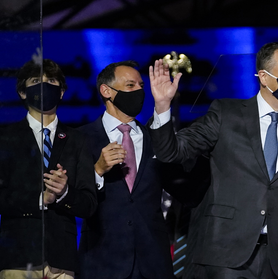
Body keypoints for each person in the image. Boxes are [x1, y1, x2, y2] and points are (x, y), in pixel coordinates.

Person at [147, 42, 278, 279]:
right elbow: (172, 152)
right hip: (226, 254)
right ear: (264, 77)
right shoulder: (226, 113)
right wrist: (162, 106)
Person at [78, 60, 199, 279]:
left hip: (153, 263)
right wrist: (98, 170)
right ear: (106, 91)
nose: (139, 92)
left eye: (142, 86)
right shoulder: (80, 139)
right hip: (102, 262)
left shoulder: (156, 138)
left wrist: (162, 106)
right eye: (130, 86)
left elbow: (182, 183)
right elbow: (73, 199)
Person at [0, 59, 97, 279]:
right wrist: (39, 199)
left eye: (51, 81)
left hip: (62, 259)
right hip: (18, 257)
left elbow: (89, 204)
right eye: (36, 81)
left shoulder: (78, 140)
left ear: (62, 92)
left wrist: (64, 194)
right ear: (23, 92)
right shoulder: (6, 139)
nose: (44, 86)